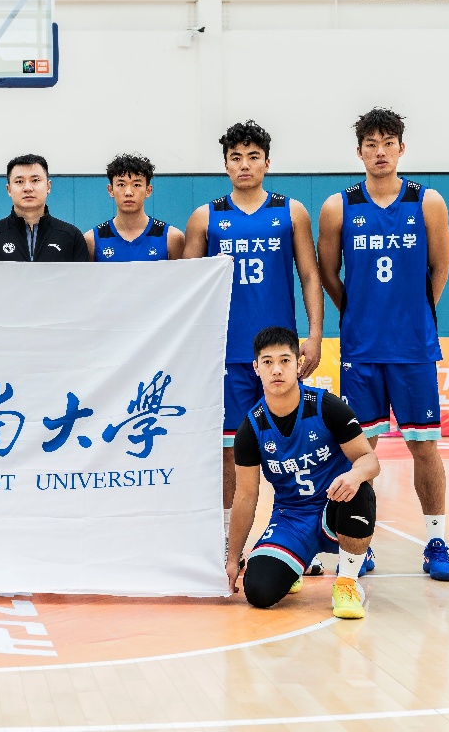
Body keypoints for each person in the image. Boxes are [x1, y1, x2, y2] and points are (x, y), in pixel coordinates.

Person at [318, 107, 449, 581]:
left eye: (388, 143)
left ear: (402, 148)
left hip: (413, 348)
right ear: (359, 152)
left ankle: (436, 541)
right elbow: (329, 274)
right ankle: (360, 542)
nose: (380, 152)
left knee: (425, 447)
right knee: (360, 451)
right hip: (361, 350)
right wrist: (358, 312)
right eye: (371, 145)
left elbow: (440, 267)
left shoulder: (427, 201)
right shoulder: (338, 206)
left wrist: (412, 314)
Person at [183, 120, 324, 572]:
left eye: (253, 156)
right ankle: (229, 539)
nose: (244, 164)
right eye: (236, 157)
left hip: (279, 356)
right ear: (225, 164)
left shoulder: (291, 211)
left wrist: (315, 335)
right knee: (231, 450)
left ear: (267, 162)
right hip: (226, 354)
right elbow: (185, 288)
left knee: (294, 447)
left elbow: (310, 276)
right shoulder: (206, 217)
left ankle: (302, 537)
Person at [228, 326, 380, 619]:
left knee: (359, 489)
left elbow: (369, 460)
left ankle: (347, 583)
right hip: (292, 518)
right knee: (258, 592)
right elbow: (245, 496)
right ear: (256, 368)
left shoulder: (327, 406)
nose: (276, 370)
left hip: (334, 508)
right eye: (268, 362)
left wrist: (354, 475)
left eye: (285, 360)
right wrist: (233, 559)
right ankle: (298, 562)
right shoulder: (250, 428)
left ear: (299, 364)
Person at [0, 155, 88, 262]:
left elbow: (81, 278)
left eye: (35, 180)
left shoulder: (71, 236)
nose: (27, 188)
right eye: (19, 181)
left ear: (48, 186)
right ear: (9, 190)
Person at [84, 153, 184, 262]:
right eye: (121, 185)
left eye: (136, 185)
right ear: (110, 190)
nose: (128, 192)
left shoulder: (172, 237)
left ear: (148, 190)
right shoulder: (92, 240)